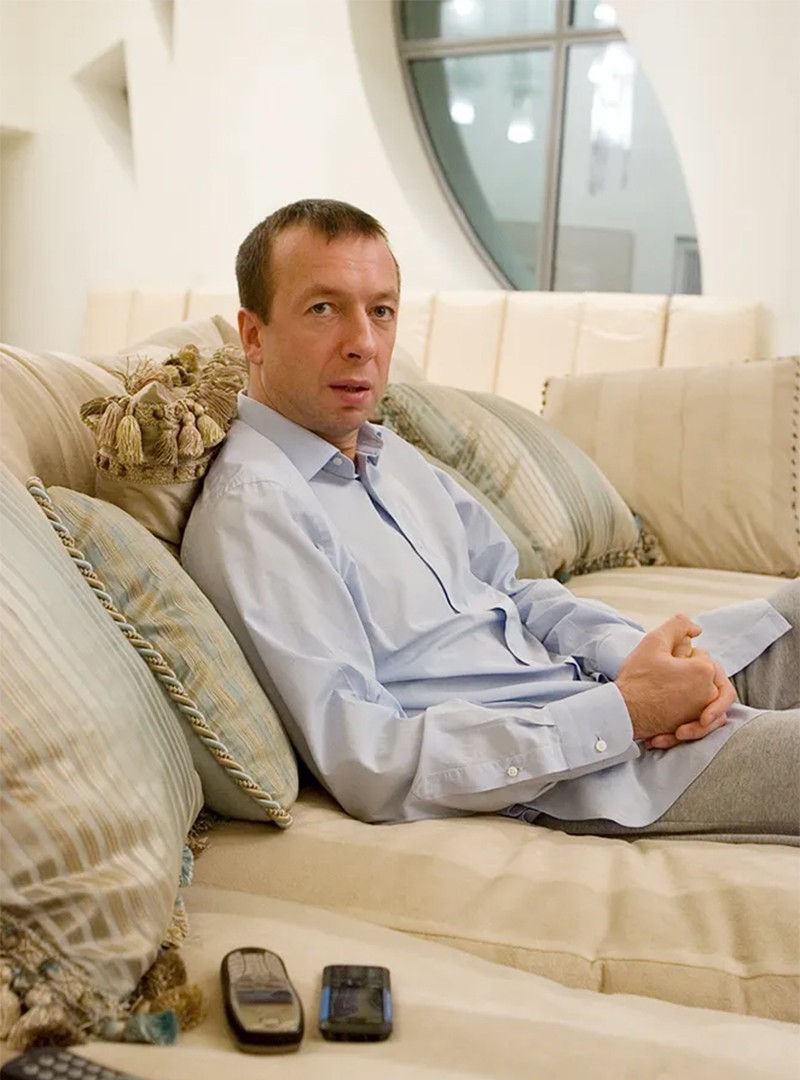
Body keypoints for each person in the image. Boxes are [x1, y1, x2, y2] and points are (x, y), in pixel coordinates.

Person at [182, 198, 800, 843]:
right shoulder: (258, 509)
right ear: (254, 336)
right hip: (584, 762)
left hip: (608, 689)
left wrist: (638, 662)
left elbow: (515, 591)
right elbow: (370, 762)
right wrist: (628, 712)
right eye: (323, 309)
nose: (362, 343)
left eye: (381, 311)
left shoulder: (390, 455)